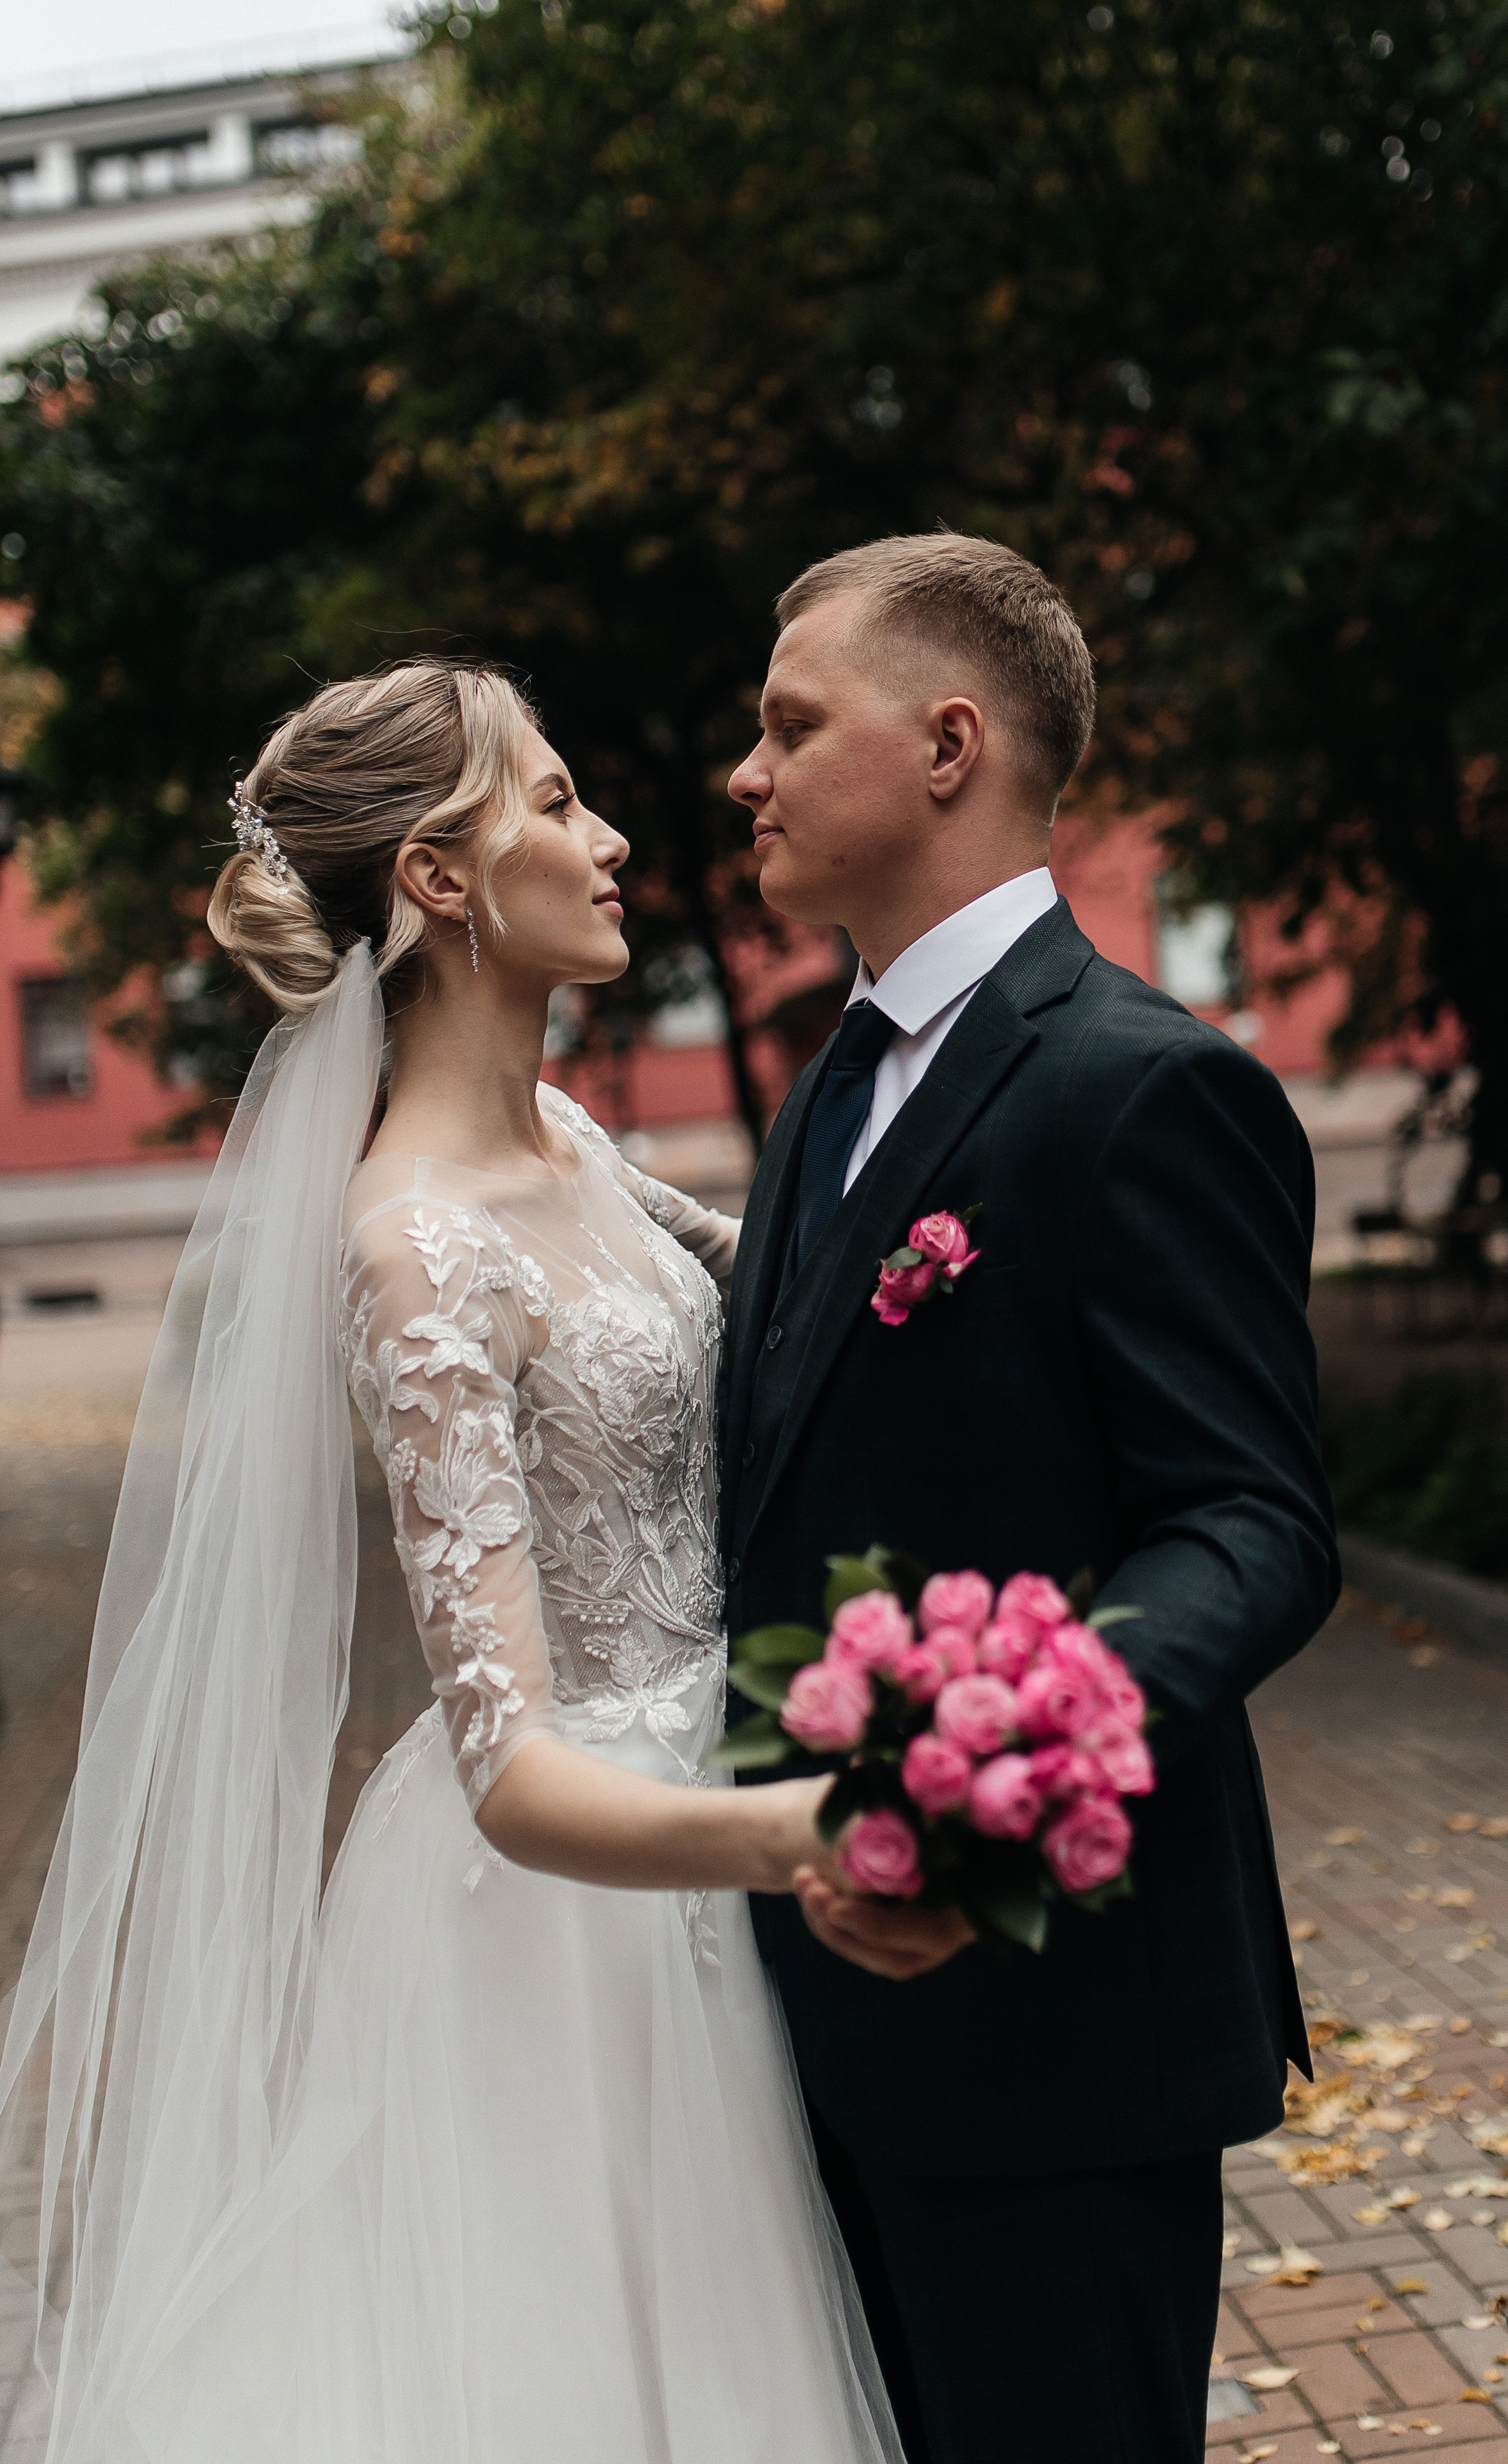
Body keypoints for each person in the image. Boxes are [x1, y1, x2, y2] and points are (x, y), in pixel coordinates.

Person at [0, 661, 903, 2464]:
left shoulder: (568, 1138)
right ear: (437, 875)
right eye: (558, 801)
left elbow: (809, 1316)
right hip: (590, 1939)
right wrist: (826, 1830)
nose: (613, 834)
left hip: (715, 1793)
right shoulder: (416, 1245)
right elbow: (510, 1771)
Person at [720, 533, 1339, 2464]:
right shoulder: (825, 1089)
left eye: (787, 723)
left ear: (946, 743)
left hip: (1046, 2006)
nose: (744, 773)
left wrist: (970, 1786)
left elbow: (1245, 1522)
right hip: (805, 2019)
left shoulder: (1144, 1089)